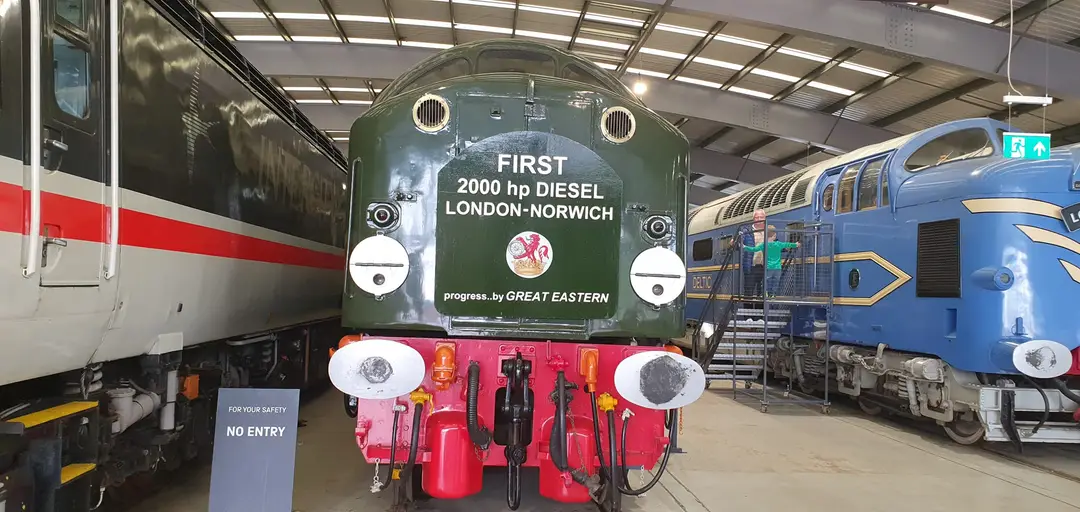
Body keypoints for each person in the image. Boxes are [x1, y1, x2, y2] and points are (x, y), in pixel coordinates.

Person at [744, 225, 800, 298]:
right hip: (777, 268)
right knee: (775, 282)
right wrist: (796, 244)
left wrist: (744, 247)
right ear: (774, 236)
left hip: (768, 267)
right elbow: (788, 244)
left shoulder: (764, 245)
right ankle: (773, 294)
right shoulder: (778, 244)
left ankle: (765, 292)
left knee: (766, 281)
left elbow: (754, 249)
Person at [731, 209, 767, 303]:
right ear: (753, 219)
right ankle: (748, 311)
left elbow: (774, 243)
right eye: (757, 217)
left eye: (761, 217)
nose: (759, 219)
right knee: (749, 292)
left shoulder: (768, 231)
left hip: (764, 266)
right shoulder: (746, 231)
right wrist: (734, 243)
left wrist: (788, 247)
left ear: (765, 218)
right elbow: (739, 244)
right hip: (751, 266)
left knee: (762, 293)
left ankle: (761, 312)